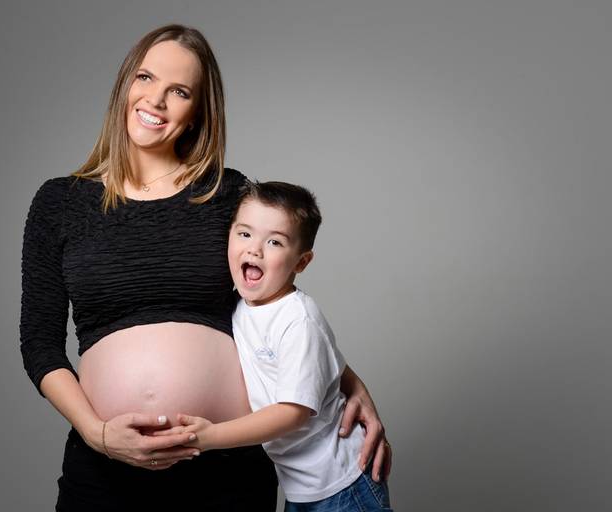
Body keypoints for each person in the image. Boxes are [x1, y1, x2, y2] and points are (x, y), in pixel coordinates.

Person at [20, 24, 390, 511]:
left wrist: (351, 383)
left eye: (179, 91)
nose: (156, 100)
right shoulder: (59, 202)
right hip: (104, 467)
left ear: (197, 112)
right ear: (125, 84)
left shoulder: (227, 193)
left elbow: (277, 304)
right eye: (145, 78)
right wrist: (97, 433)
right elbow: (40, 343)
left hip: (225, 470)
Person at [160, 181, 392, 511]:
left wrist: (210, 436)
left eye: (274, 242)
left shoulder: (298, 319)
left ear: (301, 262)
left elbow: (292, 413)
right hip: (301, 485)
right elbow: (332, 364)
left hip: (341, 482)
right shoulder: (240, 304)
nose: (255, 250)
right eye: (245, 234)